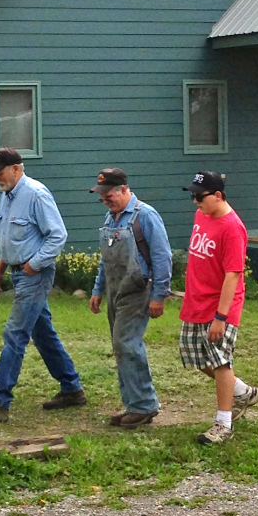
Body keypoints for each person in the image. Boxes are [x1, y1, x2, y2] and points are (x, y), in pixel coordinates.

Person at [0, 148, 85, 423]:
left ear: (17, 169)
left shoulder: (36, 194)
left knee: (15, 333)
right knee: (43, 334)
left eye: (1, 172)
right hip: (18, 272)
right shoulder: (6, 197)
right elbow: (9, 239)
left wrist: (34, 264)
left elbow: (57, 235)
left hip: (35, 275)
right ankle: (72, 388)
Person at [179, 171, 258, 445]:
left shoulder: (232, 228)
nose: (194, 202)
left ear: (218, 196)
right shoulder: (202, 215)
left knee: (220, 360)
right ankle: (242, 391)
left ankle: (223, 424)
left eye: (199, 197)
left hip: (220, 306)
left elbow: (233, 275)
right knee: (193, 356)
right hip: (196, 301)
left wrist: (221, 317)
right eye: (192, 196)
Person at [89, 168, 172, 428]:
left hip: (138, 290)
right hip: (116, 290)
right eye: (101, 195)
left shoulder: (145, 216)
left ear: (124, 189)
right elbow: (106, 259)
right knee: (120, 346)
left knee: (126, 344)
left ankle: (144, 405)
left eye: (109, 194)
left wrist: (159, 296)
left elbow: (162, 257)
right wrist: (98, 289)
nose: (105, 199)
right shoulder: (110, 217)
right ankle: (134, 404)